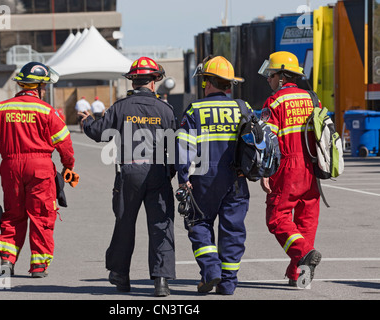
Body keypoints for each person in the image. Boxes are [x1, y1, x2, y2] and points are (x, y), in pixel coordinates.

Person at [79, 56, 177, 297]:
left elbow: (99, 134)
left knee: (124, 224)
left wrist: (87, 121)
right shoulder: (166, 110)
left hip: (129, 172)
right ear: (154, 81)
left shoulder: (120, 107)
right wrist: (169, 174)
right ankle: (161, 281)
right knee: (161, 226)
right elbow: (175, 147)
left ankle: (121, 276)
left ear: (133, 81)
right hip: (158, 173)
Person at [0, 62, 75, 278]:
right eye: (45, 86)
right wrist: (68, 166)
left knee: (13, 215)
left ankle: (7, 259)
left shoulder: (2, 108)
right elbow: (65, 144)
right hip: (40, 168)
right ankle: (39, 266)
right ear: (39, 86)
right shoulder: (47, 110)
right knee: (41, 215)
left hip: (10, 167)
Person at [175, 55, 250, 295]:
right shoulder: (243, 108)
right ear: (229, 84)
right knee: (233, 229)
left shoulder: (195, 109)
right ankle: (228, 283)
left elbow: (183, 145)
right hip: (236, 179)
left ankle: (211, 270)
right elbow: (259, 144)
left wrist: (183, 177)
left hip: (202, 178)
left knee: (198, 223)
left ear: (208, 82)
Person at [258, 51, 322, 287]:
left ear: (282, 77)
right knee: (306, 221)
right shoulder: (312, 98)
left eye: (271, 75)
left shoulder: (274, 102)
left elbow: (268, 141)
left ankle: (304, 253)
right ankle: (299, 276)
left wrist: (265, 172)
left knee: (277, 218)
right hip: (312, 168)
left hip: (287, 167)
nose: (268, 79)